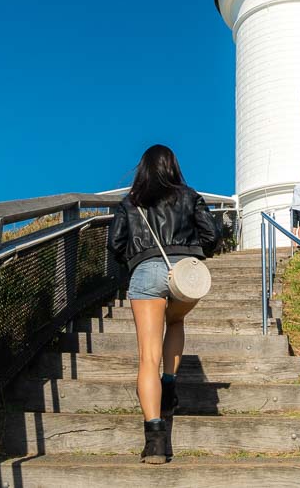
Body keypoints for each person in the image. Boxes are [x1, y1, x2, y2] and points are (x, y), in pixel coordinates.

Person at [106, 145, 219, 464]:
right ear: (173, 167)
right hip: (185, 275)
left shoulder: (131, 202)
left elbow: (114, 244)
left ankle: (155, 442)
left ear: (143, 169)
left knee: (147, 358)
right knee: (177, 321)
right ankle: (169, 385)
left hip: (146, 271)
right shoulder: (190, 195)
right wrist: (194, 253)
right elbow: (212, 235)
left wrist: (133, 261)